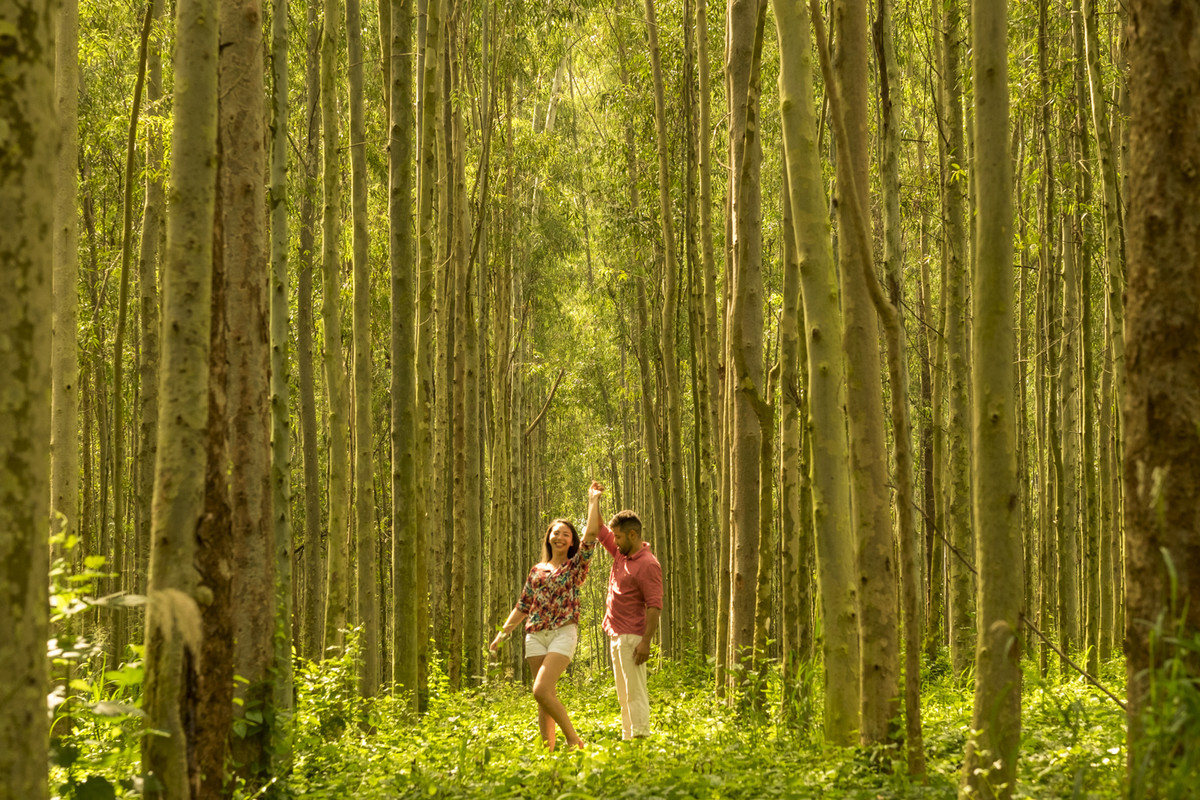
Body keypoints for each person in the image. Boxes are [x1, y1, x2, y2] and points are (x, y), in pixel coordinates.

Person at [490, 507, 596, 751]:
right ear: (549, 537)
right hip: (535, 636)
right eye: (555, 533)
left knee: (540, 689)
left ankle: (573, 739)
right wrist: (502, 634)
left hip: (563, 632)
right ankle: (547, 752)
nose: (560, 537)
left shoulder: (575, 567)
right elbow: (523, 605)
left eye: (566, 534)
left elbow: (590, 536)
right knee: (544, 698)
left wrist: (593, 501)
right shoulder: (536, 570)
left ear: (572, 542)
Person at [588, 481, 662, 740]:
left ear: (632, 535)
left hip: (633, 637)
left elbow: (654, 605)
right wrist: (594, 500)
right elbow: (599, 530)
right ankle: (628, 739)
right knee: (623, 695)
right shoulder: (621, 553)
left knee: (635, 692)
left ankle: (641, 741)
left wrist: (646, 642)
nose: (614, 541)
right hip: (615, 635)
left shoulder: (648, 564)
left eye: (618, 536)